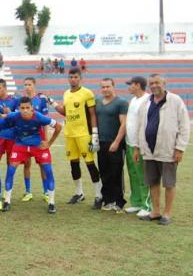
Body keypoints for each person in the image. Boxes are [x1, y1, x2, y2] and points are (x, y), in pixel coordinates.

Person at [135, 74, 190, 226]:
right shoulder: (146, 102)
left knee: (169, 183)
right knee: (152, 182)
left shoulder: (175, 100)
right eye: (151, 83)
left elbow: (184, 125)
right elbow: (140, 125)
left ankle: (167, 213)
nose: (154, 86)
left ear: (164, 83)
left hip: (168, 150)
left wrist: (180, 148)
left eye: (157, 82)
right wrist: (137, 147)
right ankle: (156, 211)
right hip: (149, 150)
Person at [50, 68, 103, 208]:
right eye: (71, 77)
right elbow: (66, 112)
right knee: (73, 164)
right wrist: (53, 103)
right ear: (68, 78)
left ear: (80, 78)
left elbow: (92, 115)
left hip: (83, 134)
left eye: (75, 77)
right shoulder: (66, 93)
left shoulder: (87, 93)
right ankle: (79, 193)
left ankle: (99, 195)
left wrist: (95, 135)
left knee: (90, 164)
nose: (73, 79)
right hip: (69, 134)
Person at [2, 97, 62, 213]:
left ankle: (51, 203)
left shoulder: (39, 116)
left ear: (32, 108)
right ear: (19, 108)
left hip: (37, 145)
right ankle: (7, 201)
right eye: (22, 108)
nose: (25, 110)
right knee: (10, 170)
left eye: (27, 108)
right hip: (20, 145)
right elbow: (2, 117)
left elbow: (58, 126)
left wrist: (49, 143)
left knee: (48, 170)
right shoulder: (14, 116)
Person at [95, 78, 128, 212]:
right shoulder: (97, 102)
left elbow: (124, 124)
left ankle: (119, 202)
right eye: (103, 87)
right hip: (101, 142)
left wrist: (116, 142)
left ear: (113, 86)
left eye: (108, 87)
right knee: (104, 172)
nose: (105, 89)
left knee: (116, 173)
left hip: (115, 143)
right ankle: (108, 200)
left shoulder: (121, 102)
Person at [124, 76, 152, 217]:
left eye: (131, 84)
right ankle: (136, 202)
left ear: (138, 85)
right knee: (133, 175)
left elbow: (143, 125)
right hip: (129, 142)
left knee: (142, 175)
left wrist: (137, 146)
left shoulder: (147, 101)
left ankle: (147, 205)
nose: (128, 87)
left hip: (139, 145)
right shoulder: (133, 100)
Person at [20, 77, 51, 203]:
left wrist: (47, 140)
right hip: (26, 138)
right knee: (27, 164)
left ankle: (46, 192)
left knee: (43, 165)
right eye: (25, 84)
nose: (27, 87)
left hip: (39, 138)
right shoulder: (22, 101)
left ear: (34, 85)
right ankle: (28, 192)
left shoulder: (41, 100)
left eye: (29, 84)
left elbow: (46, 121)